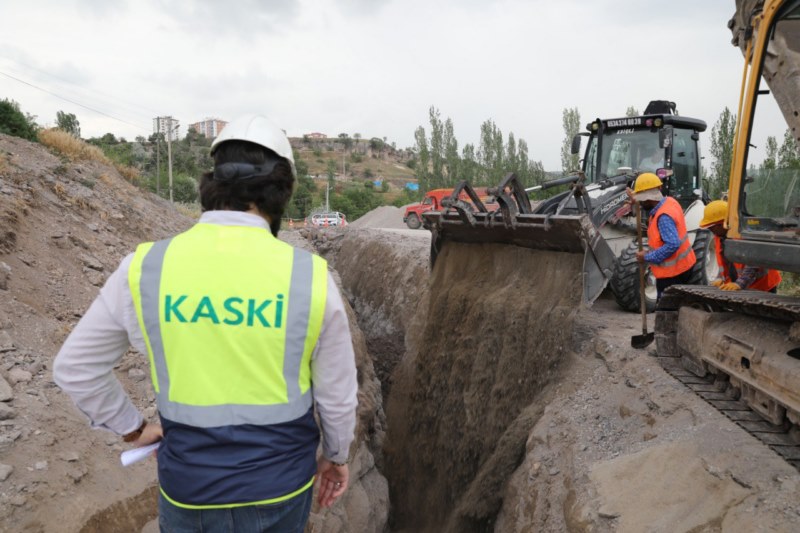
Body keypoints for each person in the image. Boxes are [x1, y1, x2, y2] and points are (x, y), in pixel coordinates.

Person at [53, 114, 358, 532]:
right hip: (279, 490)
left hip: (189, 491)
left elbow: (76, 368)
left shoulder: (146, 268)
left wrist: (133, 430)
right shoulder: (309, 277)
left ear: (211, 185)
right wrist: (336, 457)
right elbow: (337, 395)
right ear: (282, 192)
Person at [631, 172, 697, 300]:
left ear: (648, 198)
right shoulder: (670, 202)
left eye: (641, 199)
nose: (641, 203)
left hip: (673, 273)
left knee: (666, 311)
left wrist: (647, 256)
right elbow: (661, 241)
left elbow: (672, 244)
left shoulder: (663, 217)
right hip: (685, 265)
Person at [700, 200, 782, 292]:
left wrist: (739, 283)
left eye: (712, 226)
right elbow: (723, 263)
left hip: (763, 286)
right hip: (743, 286)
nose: (710, 230)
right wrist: (720, 278)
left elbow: (753, 264)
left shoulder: (746, 234)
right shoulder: (719, 237)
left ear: (723, 223)